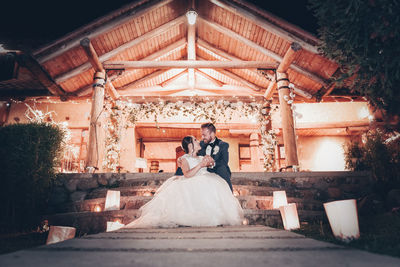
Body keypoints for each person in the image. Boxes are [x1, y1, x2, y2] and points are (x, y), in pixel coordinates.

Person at [125, 136, 244, 228]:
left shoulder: (202, 157)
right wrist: (201, 165)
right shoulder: (184, 159)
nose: (199, 142)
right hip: (191, 180)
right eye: (195, 140)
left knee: (217, 186)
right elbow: (187, 174)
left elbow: (212, 164)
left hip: (206, 178)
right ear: (190, 145)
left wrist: (210, 162)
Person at [198, 123, 233, 192]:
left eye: (204, 135)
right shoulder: (200, 144)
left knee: (223, 168)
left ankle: (228, 193)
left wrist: (212, 163)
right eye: (202, 135)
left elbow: (224, 161)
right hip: (203, 171)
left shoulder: (223, 145)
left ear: (212, 134)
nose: (202, 137)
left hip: (217, 170)